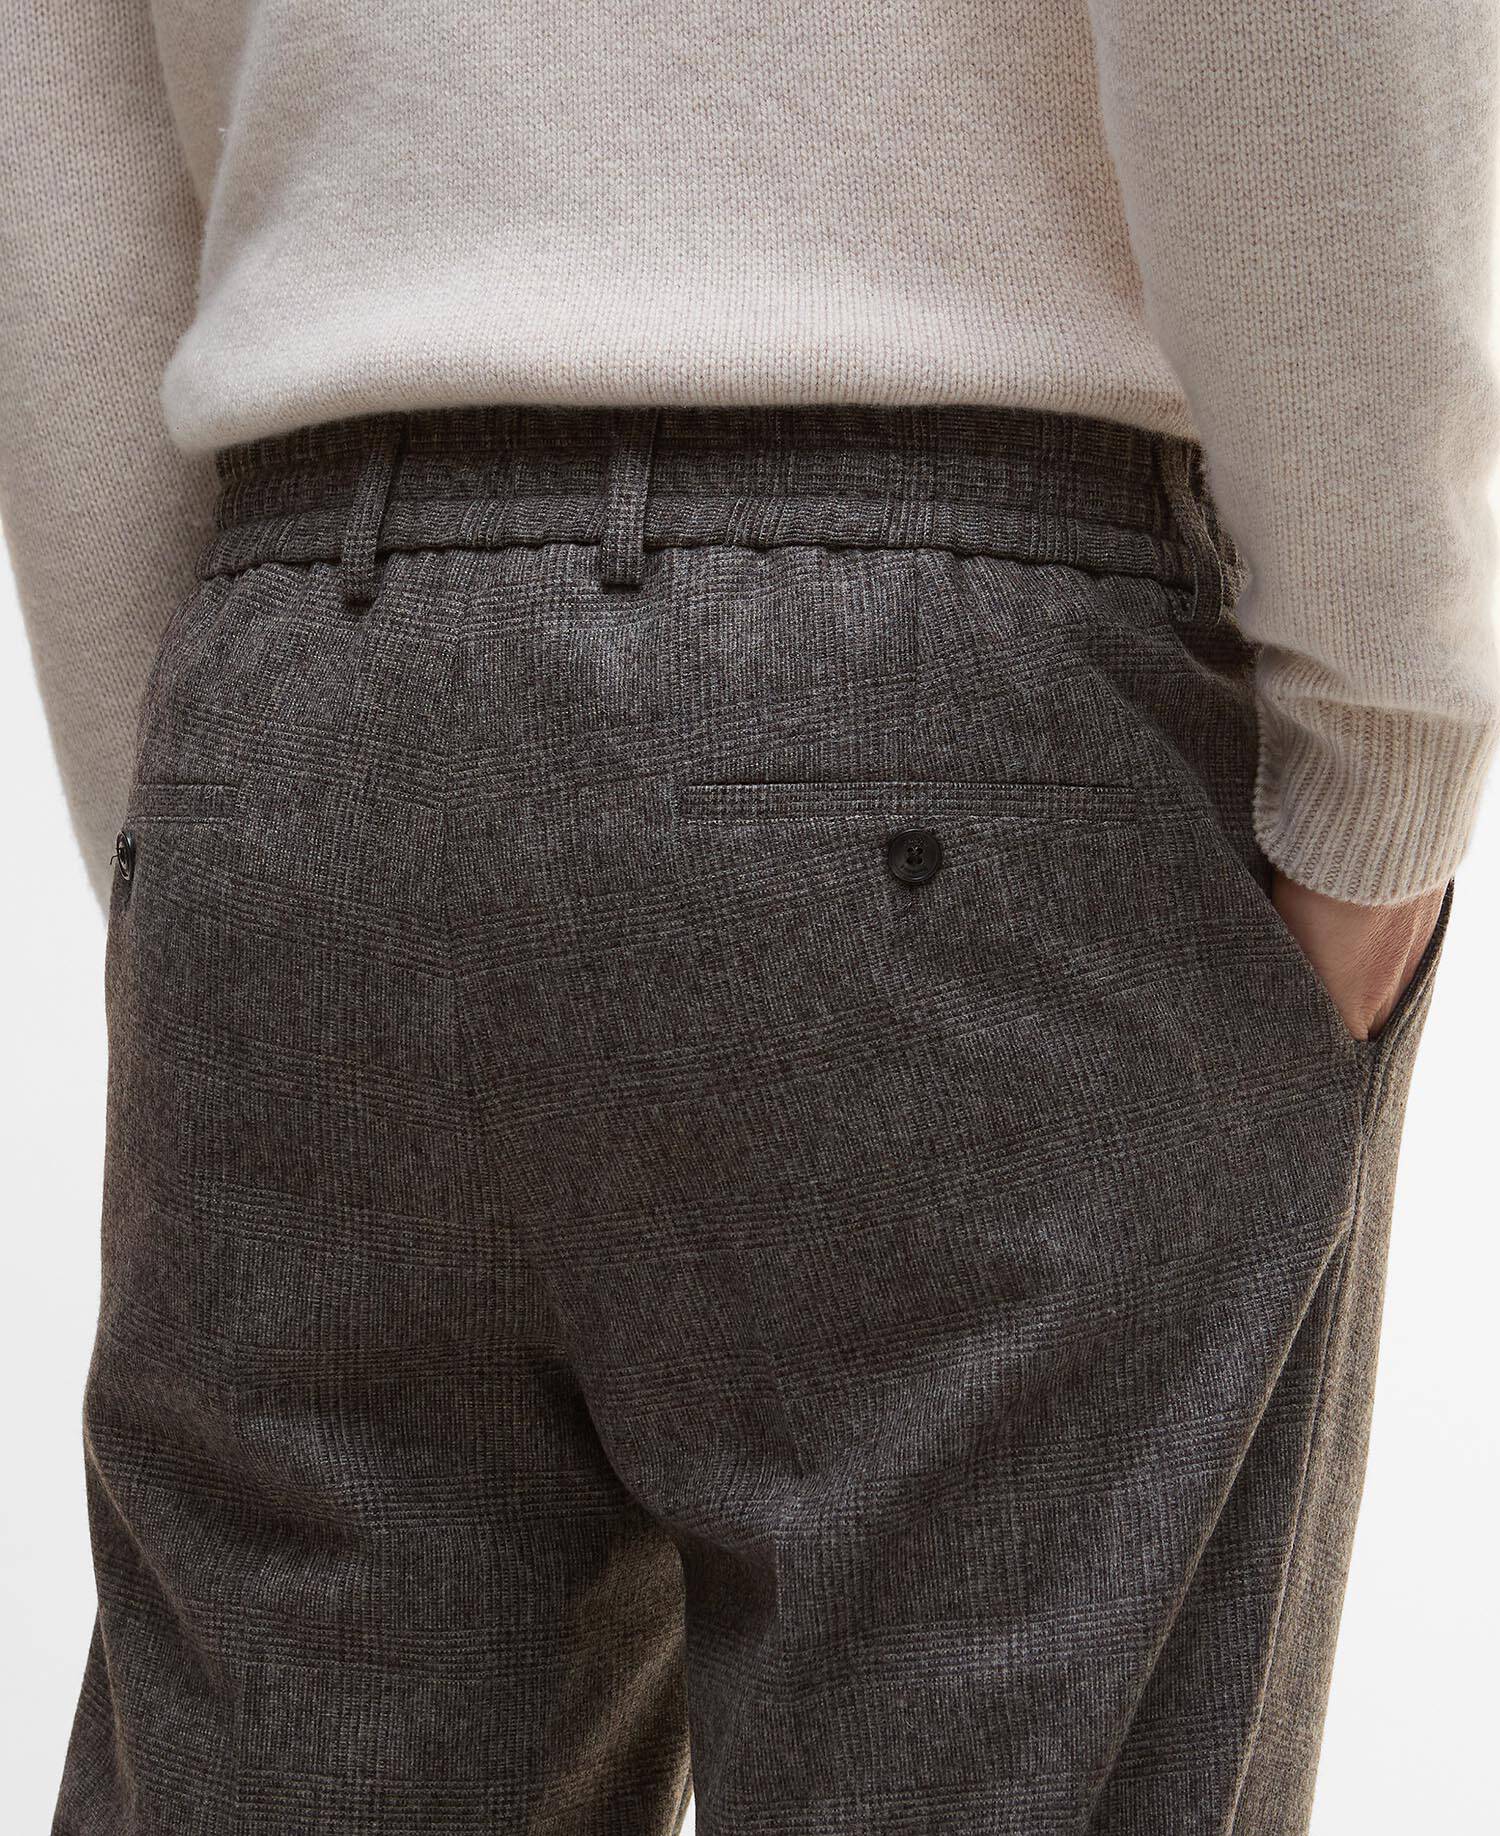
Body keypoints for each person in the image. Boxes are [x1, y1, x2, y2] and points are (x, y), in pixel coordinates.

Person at [2, 4, 1494, 1831]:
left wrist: (199, 814)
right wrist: (1382, 747)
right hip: (959, 702)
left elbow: (55, 98)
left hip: (305, 695)